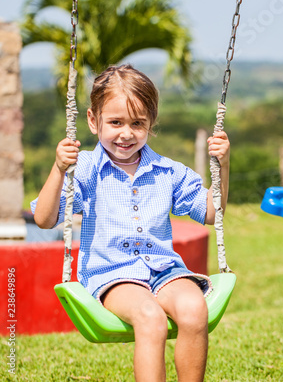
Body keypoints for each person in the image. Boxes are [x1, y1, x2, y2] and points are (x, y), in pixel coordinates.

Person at [32, 64, 230, 382]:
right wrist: (59, 169)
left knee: (195, 310)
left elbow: (210, 213)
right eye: (115, 122)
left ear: (151, 124)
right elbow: (44, 219)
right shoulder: (84, 169)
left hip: (166, 271)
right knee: (149, 317)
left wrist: (222, 165)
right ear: (93, 121)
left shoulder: (168, 171)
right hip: (113, 275)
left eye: (138, 123)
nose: (126, 133)